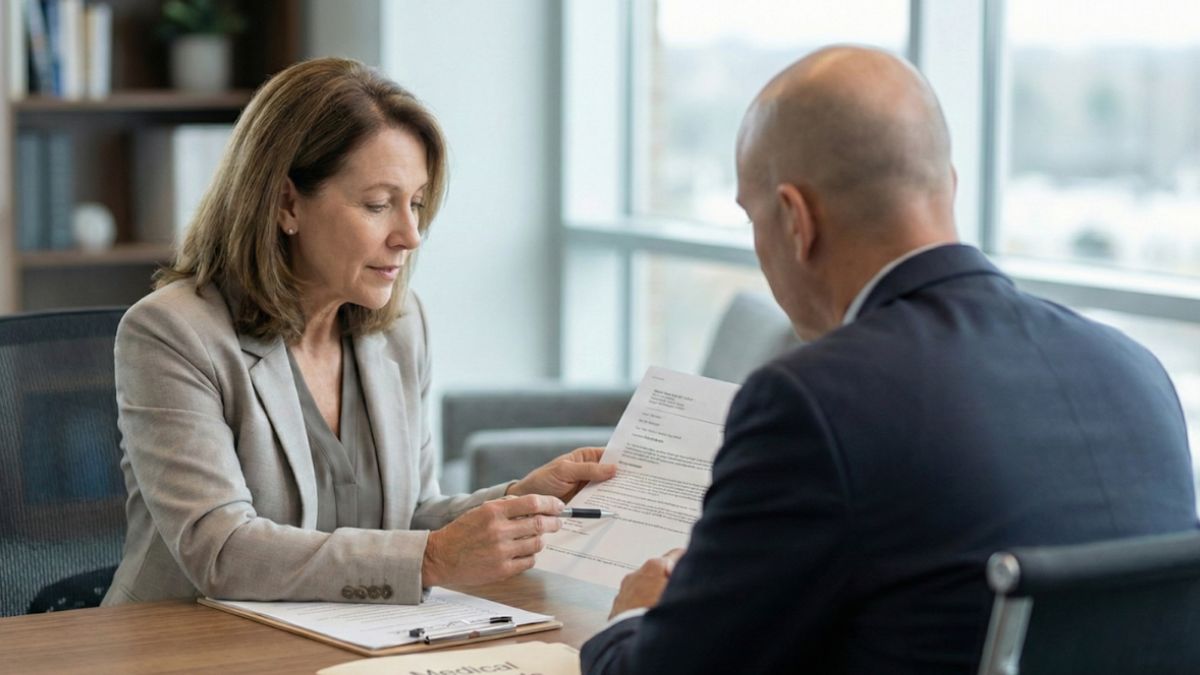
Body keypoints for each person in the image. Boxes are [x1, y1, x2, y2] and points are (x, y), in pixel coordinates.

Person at [581, 46, 1196, 674]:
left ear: (796, 220)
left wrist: (634, 617)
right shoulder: (1138, 372)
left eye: (752, 218)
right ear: (948, 184)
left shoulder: (812, 401)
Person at [102, 57, 615, 607]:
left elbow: (408, 517)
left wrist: (519, 504)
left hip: (348, 635)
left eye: (416, 203)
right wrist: (432, 558)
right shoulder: (172, 333)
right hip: (188, 639)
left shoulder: (402, 325)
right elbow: (221, 550)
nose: (410, 235)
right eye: (378, 205)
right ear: (286, 203)